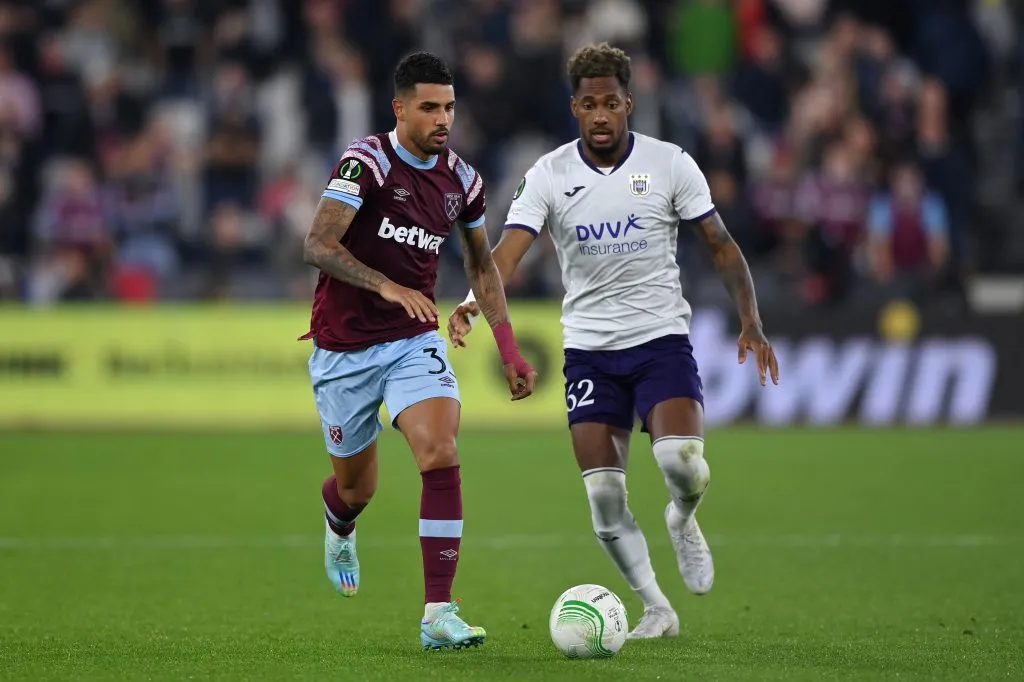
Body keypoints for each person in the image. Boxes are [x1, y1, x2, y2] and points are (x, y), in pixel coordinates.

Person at [448, 43, 779, 639]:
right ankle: (657, 607)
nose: (601, 114)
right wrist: (474, 301)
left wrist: (749, 318)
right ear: (574, 107)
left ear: (628, 103)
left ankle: (682, 519)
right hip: (590, 352)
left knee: (682, 464)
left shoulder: (672, 163)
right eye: (588, 104)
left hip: (659, 339)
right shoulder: (550, 173)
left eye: (611, 103)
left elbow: (722, 245)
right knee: (603, 495)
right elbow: (507, 253)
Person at [300, 51, 537, 651]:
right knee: (357, 489)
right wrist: (385, 284)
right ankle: (339, 521)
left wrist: (506, 347)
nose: (443, 119)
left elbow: (482, 264)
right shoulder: (367, 163)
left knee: (439, 450)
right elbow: (318, 243)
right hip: (344, 348)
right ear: (400, 108)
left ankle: (438, 612)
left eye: (450, 107)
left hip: (413, 341)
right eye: (429, 107)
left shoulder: (462, 180)